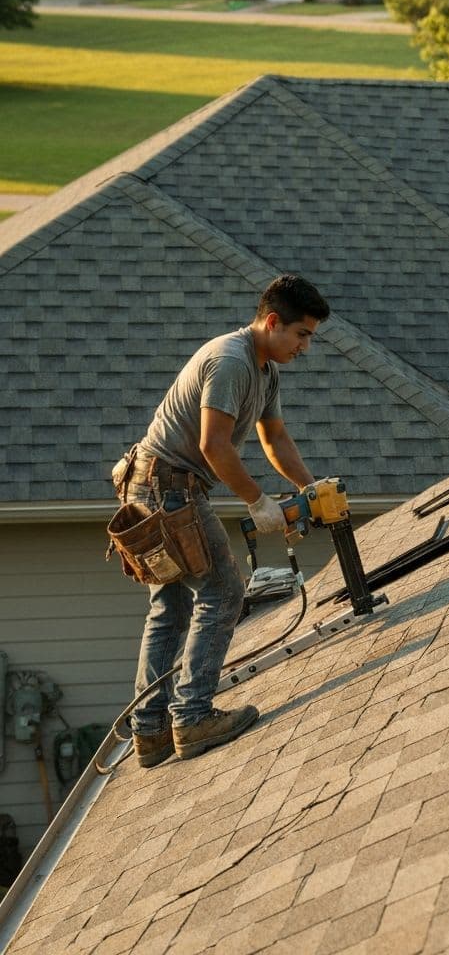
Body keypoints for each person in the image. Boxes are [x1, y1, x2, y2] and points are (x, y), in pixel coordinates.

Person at [116, 275, 330, 768]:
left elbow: (274, 439)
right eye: (301, 335)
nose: (305, 347)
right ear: (272, 322)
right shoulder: (233, 360)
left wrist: (309, 488)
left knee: (170, 606)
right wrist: (258, 502)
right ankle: (191, 716)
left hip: (155, 483)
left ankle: (149, 731)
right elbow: (214, 446)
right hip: (167, 486)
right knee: (225, 591)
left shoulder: (265, 370)